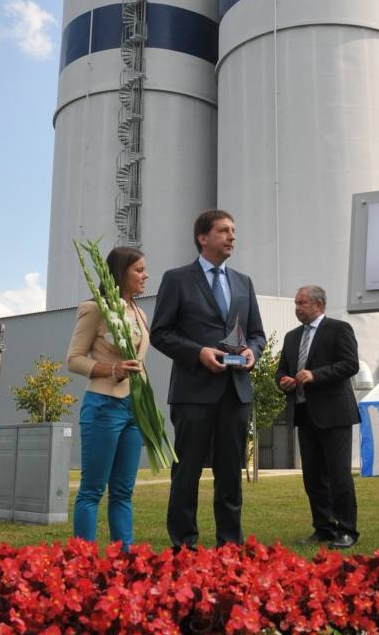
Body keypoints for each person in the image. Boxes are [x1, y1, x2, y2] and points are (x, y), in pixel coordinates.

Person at [150, 210, 266, 548]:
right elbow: (161, 333)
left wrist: (253, 352)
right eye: (224, 230)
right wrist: (198, 352)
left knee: (230, 473)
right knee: (187, 472)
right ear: (203, 237)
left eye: (234, 230)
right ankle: (184, 545)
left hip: (235, 391)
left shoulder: (243, 282)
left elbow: (257, 334)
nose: (232, 236)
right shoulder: (177, 279)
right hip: (193, 392)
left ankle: (229, 545)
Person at [67, 247, 150, 551]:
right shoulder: (95, 309)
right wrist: (111, 369)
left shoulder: (140, 313)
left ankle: (124, 561)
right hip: (104, 405)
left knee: (123, 493)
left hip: (134, 409)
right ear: (120, 273)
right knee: (92, 490)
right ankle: (84, 561)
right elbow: (74, 359)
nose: (145, 276)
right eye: (139, 270)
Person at [276, 285, 361, 549]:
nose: (296, 308)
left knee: (339, 475)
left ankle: (346, 530)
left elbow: (351, 364)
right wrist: (284, 381)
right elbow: (280, 370)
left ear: (318, 305)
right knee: (312, 477)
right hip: (304, 414)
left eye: (301, 303)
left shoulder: (339, 329)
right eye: (296, 303)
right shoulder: (292, 337)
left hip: (335, 414)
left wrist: (316, 375)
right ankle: (323, 528)